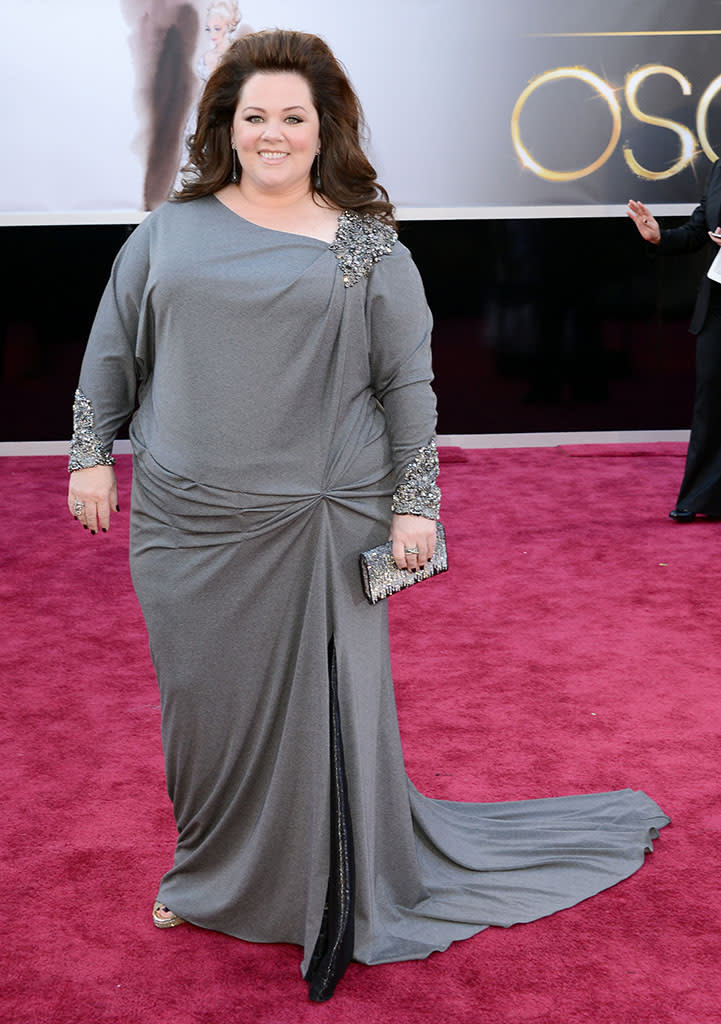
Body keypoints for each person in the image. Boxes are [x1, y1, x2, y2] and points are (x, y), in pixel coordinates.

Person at [68, 29, 669, 1002]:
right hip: (184, 524)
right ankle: (209, 874)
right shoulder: (166, 235)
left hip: (321, 524)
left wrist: (415, 507)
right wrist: (91, 455)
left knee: (321, 721)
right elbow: (111, 353)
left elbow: (410, 386)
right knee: (201, 715)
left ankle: (317, 885)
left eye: (291, 118)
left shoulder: (365, 243)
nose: (271, 133)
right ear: (225, 124)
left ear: (323, 128)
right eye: (253, 115)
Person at [628, 165, 721, 521]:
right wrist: (659, 237)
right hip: (718, 302)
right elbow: (700, 229)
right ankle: (701, 497)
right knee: (710, 398)